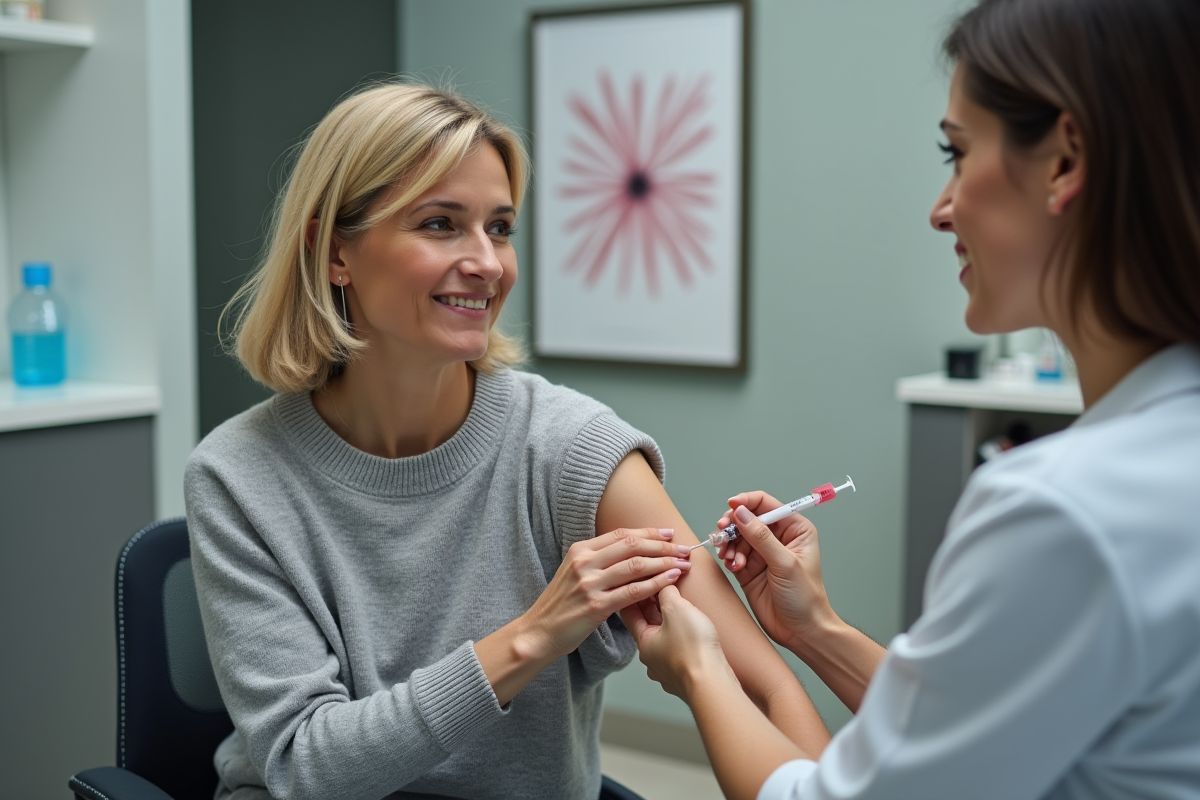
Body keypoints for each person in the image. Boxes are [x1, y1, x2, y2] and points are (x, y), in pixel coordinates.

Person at [185, 82, 829, 800]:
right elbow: (306, 766)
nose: (488, 263)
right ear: (333, 252)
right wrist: (534, 636)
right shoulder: (238, 475)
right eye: (440, 224)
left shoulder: (573, 452)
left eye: (500, 227)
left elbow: (767, 692)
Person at [623, 0, 1200, 797]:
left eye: (956, 154)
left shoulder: (1065, 511)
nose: (940, 209)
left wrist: (701, 668)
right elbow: (978, 738)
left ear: (1066, 161)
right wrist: (814, 630)